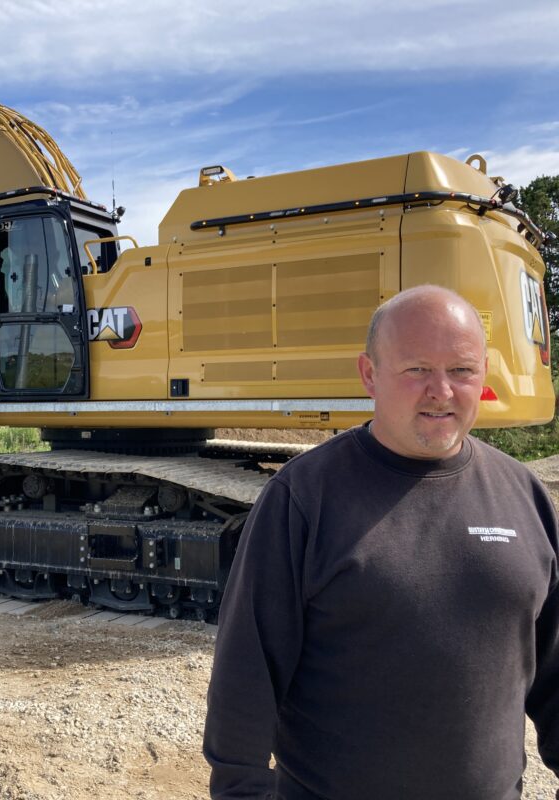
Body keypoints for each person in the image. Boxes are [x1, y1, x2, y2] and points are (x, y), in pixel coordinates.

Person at [203, 285, 559, 800]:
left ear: (484, 373)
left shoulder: (521, 494)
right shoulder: (305, 496)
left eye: (461, 370)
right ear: (369, 374)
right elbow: (246, 676)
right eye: (416, 369)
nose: (441, 390)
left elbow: (553, 668)